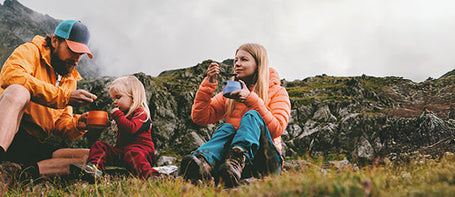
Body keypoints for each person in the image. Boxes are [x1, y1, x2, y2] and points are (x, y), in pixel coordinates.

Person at [0, 19, 108, 193]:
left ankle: (22, 173)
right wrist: (63, 96)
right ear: (55, 41)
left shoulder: (70, 78)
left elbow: (60, 125)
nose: (76, 58)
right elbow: (11, 76)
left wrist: (80, 124)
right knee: (18, 91)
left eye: (81, 53)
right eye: (72, 50)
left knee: (92, 156)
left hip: (31, 143)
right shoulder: (30, 51)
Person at [180, 43, 291, 188]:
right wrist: (209, 83)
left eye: (244, 60)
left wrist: (251, 99)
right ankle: (203, 163)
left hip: (266, 161)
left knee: (252, 115)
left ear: (258, 64)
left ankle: (236, 161)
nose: (237, 64)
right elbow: (200, 117)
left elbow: (278, 129)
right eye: (235, 60)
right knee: (227, 128)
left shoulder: (277, 91)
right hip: (230, 168)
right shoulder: (231, 92)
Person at [71, 76, 159, 183]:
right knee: (100, 145)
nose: (115, 102)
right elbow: (123, 126)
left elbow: (131, 129)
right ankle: (94, 169)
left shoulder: (141, 113)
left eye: (118, 97)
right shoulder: (124, 116)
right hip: (124, 152)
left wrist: (117, 115)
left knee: (133, 153)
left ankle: (150, 176)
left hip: (141, 152)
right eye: (114, 98)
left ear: (133, 97)